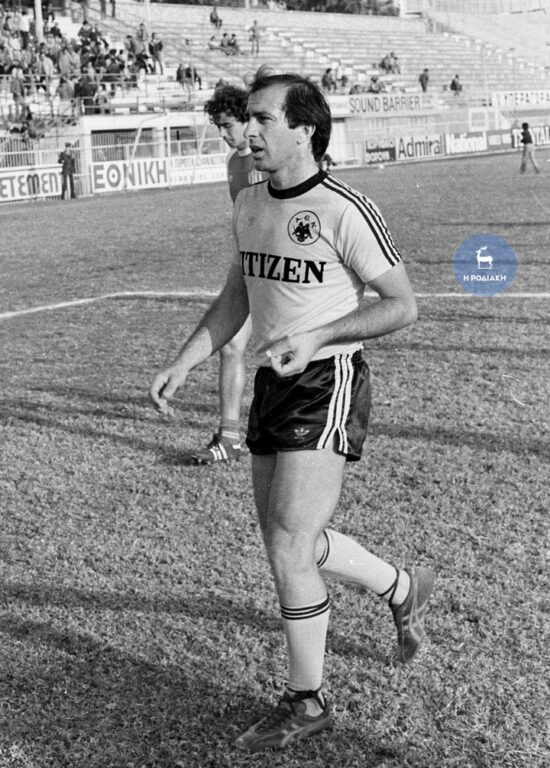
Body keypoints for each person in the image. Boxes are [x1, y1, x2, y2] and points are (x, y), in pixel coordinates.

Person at [150, 72, 435, 752]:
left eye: (262, 119)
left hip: (327, 380)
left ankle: (308, 701)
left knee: (288, 541)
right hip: (273, 385)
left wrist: (320, 335)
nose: (247, 131)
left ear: (304, 129)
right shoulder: (249, 201)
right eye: (247, 118)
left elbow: (402, 305)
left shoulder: (343, 208)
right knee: (289, 539)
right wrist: (186, 359)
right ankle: (401, 586)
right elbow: (237, 295)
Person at [185, 84, 264, 465]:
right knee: (231, 346)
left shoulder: (266, 162)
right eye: (218, 126)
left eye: (227, 125)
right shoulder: (234, 163)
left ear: (247, 120)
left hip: (278, 274)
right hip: (250, 268)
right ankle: (229, 437)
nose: (223, 133)